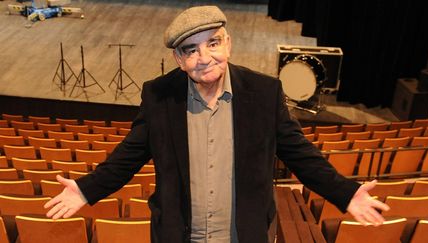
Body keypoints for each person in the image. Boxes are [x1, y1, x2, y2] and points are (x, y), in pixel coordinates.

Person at [44, 5, 389, 243]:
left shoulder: (265, 93)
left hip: (245, 235)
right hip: (179, 236)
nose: (204, 58)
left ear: (228, 43)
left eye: (213, 43)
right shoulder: (159, 97)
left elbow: (301, 155)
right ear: (179, 59)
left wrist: (346, 193)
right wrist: (86, 188)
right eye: (191, 50)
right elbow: (128, 156)